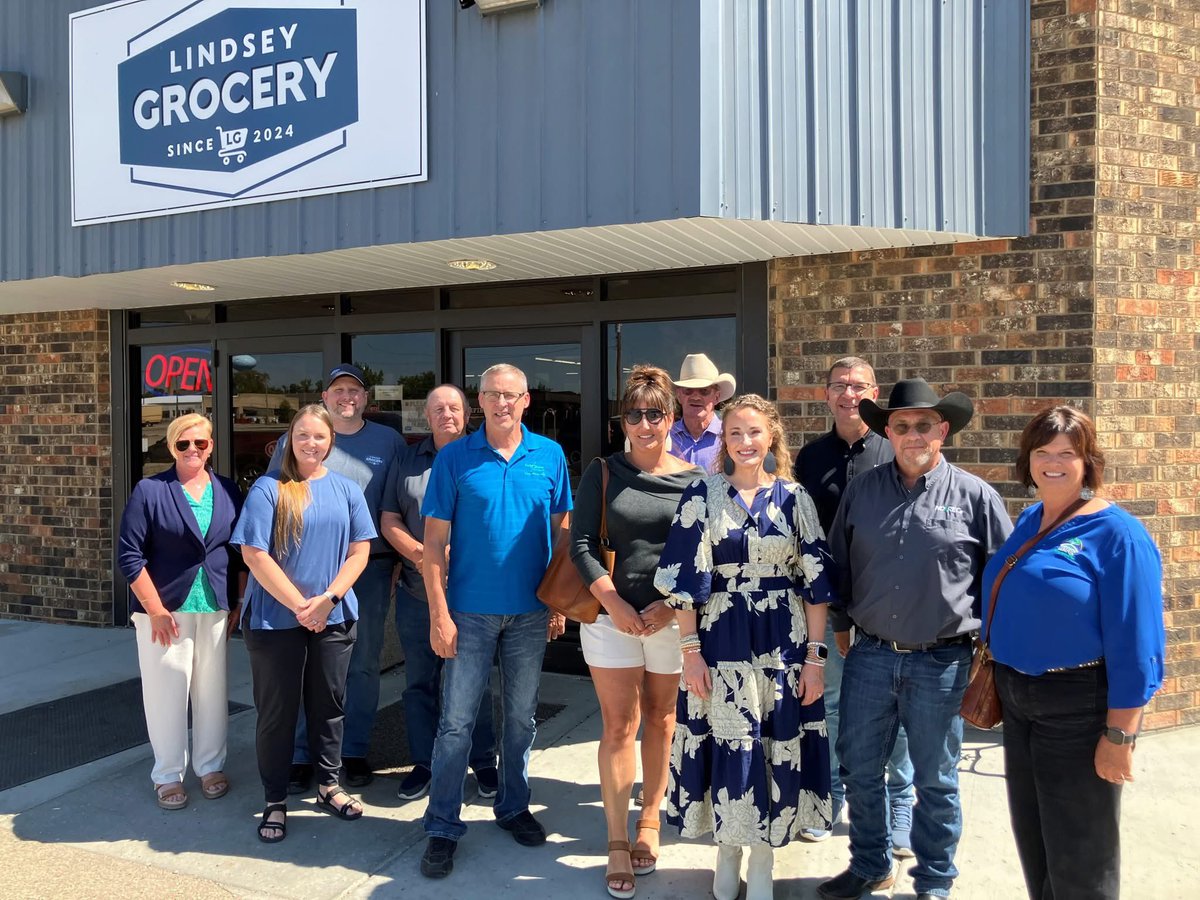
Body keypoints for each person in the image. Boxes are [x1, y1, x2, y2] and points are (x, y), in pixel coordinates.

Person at [819, 378, 1012, 900]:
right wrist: (841, 623)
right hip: (871, 655)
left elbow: (1003, 579)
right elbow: (838, 564)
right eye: (901, 426)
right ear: (889, 432)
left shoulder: (975, 496)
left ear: (942, 430)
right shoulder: (863, 491)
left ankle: (934, 881)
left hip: (942, 662)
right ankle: (870, 865)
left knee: (936, 781)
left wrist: (991, 651)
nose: (913, 435)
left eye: (923, 425)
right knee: (859, 769)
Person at [655, 393, 834, 900]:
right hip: (721, 643)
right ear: (724, 441)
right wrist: (690, 652)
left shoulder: (795, 498)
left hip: (783, 645)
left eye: (754, 431)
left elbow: (816, 585)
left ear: (771, 435)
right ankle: (728, 848)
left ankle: (763, 857)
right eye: (734, 432)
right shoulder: (702, 493)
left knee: (777, 745)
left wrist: (815, 661)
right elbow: (684, 584)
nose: (745, 441)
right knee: (728, 742)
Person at [985, 406, 1165, 900]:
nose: (1052, 463)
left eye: (1067, 453)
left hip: (1078, 705)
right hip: (1018, 700)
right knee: (1036, 841)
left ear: (1089, 462)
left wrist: (1120, 735)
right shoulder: (1031, 519)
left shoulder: (1119, 535)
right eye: (1042, 452)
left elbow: (1138, 643)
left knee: (1081, 855)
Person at [418, 364, 572, 879]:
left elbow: (564, 535)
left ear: (526, 400)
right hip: (468, 612)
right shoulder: (454, 458)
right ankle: (442, 825)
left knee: (521, 720)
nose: (502, 403)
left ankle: (513, 806)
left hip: (530, 612)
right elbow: (434, 544)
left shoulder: (549, 456)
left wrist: (557, 604)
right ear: (479, 400)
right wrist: (439, 613)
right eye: (492, 394)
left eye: (511, 395)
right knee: (456, 724)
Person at [571, 365, 701, 899]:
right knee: (618, 726)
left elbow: (703, 554)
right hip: (611, 620)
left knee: (663, 719)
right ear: (622, 421)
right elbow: (581, 543)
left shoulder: (696, 480)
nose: (644, 425)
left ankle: (650, 819)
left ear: (671, 418)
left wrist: (670, 608)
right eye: (634, 415)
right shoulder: (603, 472)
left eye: (654, 414)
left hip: (671, 621)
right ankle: (617, 840)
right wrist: (615, 604)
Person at [232, 404, 377, 843]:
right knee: (277, 713)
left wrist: (328, 601)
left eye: (319, 436)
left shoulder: (346, 489)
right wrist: (302, 606)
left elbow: (360, 551)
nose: (311, 443)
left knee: (329, 707)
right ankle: (275, 799)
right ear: (288, 441)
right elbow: (254, 554)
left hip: (334, 617)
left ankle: (328, 785)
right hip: (275, 621)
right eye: (302, 435)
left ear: (331, 441)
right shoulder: (268, 488)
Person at [794, 358, 915, 850]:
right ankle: (830, 797)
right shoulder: (810, 458)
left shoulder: (894, 450)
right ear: (825, 394)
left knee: (895, 709)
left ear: (874, 393)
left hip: (886, 605)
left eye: (858, 386)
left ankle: (900, 802)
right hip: (825, 607)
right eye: (839, 386)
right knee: (830, 705)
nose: (848, 394)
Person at [269, 363, 404, 791]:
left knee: (363, 664)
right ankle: (301, 754)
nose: (347, 397)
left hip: (369, 567)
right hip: (307, 569)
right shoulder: (298, 441)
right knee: (307, 662)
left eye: (355, 390)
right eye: (338, 390)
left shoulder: (389, 442)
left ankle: (353, 750)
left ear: (366, 398)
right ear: (324, 398)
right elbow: (274, 502)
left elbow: (395, 507)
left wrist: (400, 558)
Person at [117, 413, 243, 810]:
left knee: (212, 691)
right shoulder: (150, 490)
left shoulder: (227, 489)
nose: (192, 450)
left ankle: (210, 765)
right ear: (171, 447)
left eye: (200, 443)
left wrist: (238, 601)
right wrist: (154, 609)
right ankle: (168, 774)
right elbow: (129, 555)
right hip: (165, 610)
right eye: (183, 443)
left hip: (214, 604)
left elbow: (238, 552)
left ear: (211, 446)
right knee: (166, 692)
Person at [380, 385, 498, 803]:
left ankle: (483, 760)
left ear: (467, 414)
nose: (446, 414)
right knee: (420, 682)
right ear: (426, 417)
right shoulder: (407, 460)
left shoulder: (486, 455)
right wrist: (420, 554)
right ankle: (425, 762)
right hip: (418, 593)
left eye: (454, 408)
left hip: (472, 594)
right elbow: (389, 518)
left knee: (474, 681)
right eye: (437, 409)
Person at [669, 353, 736, 474]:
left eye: (704, 391)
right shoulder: (665, 437)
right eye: (688, 390)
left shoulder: (730, 436)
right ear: (679, 396)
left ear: (716, 397)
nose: (695, 397)